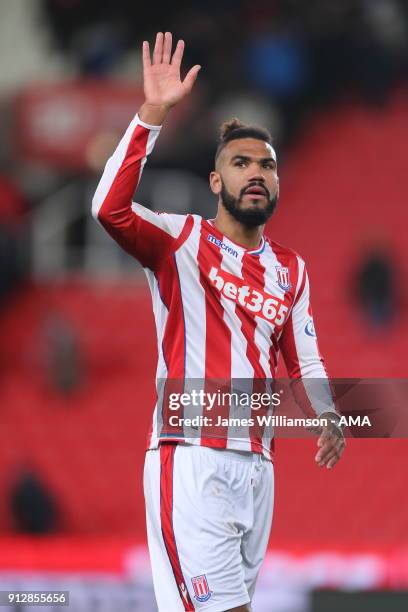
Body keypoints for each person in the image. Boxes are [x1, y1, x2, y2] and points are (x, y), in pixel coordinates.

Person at [92, 32, 345, 612]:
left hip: (259, 471)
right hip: (192, 461)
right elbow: (108, 208)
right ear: (215, 182)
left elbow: (305, 360)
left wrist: (328, 412)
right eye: (240, 163)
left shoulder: (290, 270)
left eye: (267, 166)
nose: (256, 173)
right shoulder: (180, 240)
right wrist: (152, 115)